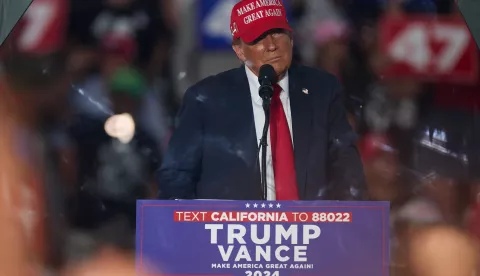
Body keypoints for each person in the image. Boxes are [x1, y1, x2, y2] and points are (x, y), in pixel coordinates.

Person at [158, 0, 366, 200]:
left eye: (277, 33)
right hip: (232, 233)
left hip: (310, 232)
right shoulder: (205, 99)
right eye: (258, 38)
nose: (271, 45)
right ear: (239, 50)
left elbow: (347, 170)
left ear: (291, 39)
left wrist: (347, 224)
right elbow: (176, 178)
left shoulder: (322, 90)